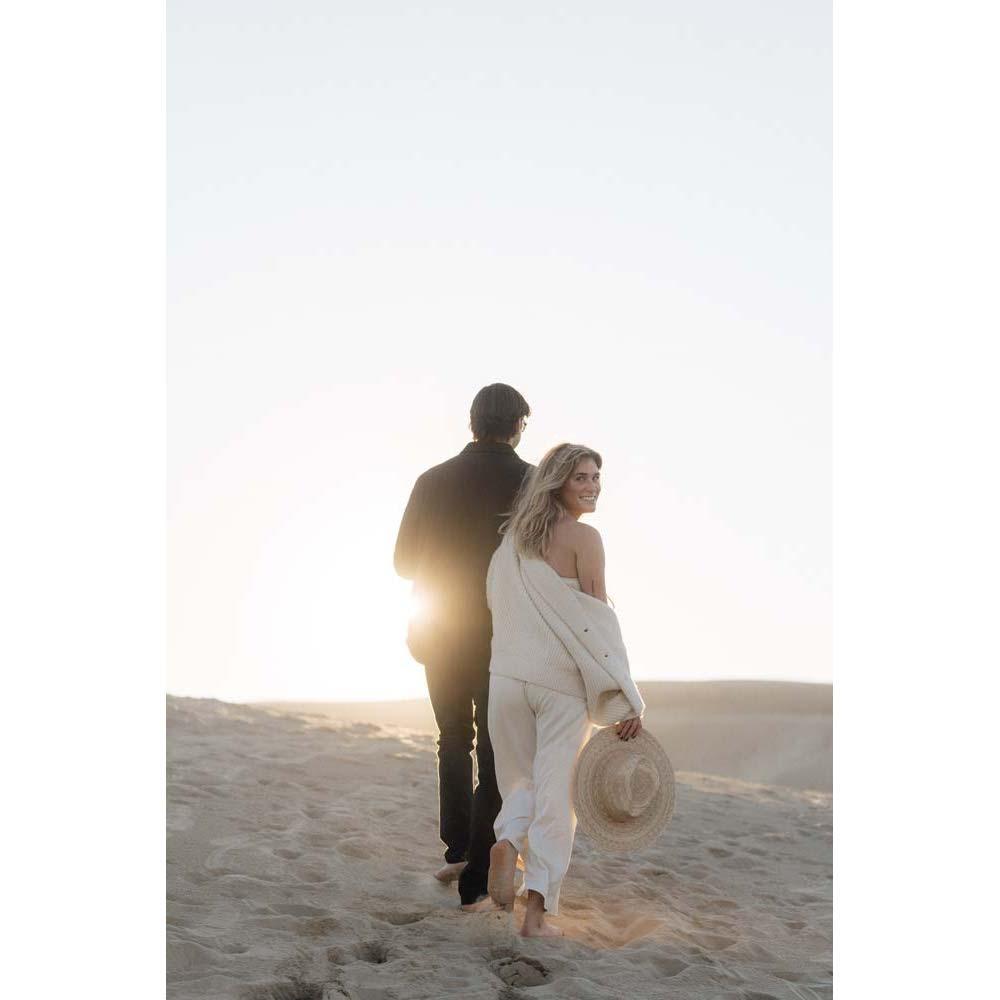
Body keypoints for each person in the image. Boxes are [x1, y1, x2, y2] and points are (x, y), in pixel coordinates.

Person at [485, 443, 645, 937]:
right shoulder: (584, 538)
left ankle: (507, 842)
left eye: (596, 477)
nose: (592, 486)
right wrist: (625, 698)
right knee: (557, 795)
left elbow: (496, 607)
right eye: (581, 477)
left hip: (506, 679)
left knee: (519, 783)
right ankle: (535, 914)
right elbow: (597, 626)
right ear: (558, 483)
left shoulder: (512, 541)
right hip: (559, 687)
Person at [393, 384, 532, 910]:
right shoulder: (533, 484)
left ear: (472, 422)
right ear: (518, 425)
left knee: (452, 737)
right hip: (505, 637)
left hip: (439, 630)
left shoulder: (431, 480)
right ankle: (479, 863)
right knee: (496, 750)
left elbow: (403, 562)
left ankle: (457, 849)